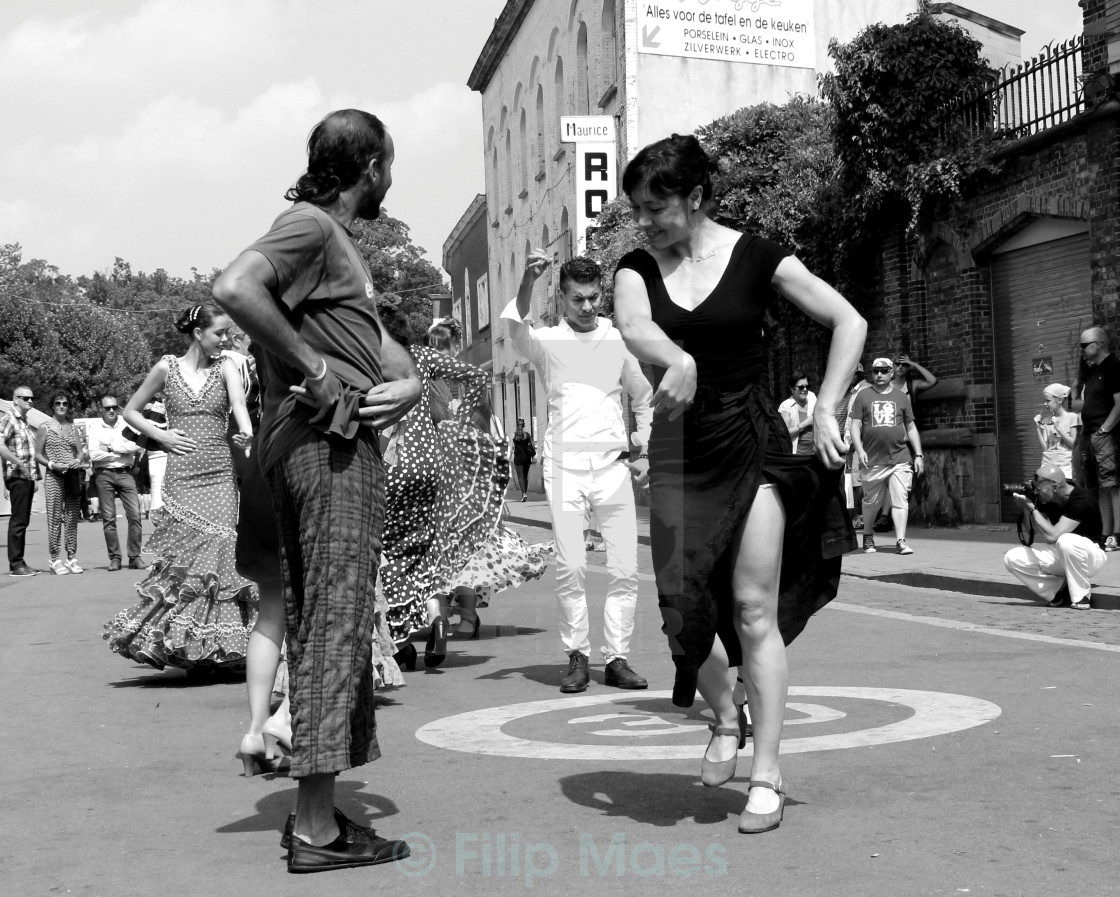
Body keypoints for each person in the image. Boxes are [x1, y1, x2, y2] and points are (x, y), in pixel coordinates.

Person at [613, 133, 863, 834]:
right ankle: (727, 715)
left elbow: (849, 319)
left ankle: (768, 774)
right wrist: (675, 358)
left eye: (656, 208)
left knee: (753, 609)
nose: (645, 222)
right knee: (678, 610)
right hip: (677, 454)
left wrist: (830, 403)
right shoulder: (635, 267)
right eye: (637, 210)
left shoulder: (758, 256)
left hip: (750, 444)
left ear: (695, 199)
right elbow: (633, 325)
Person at [212, 109, 419, 873]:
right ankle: (314, 829)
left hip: (323, 444)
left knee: (326, 617)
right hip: (326, 446)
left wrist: (407, 380)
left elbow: (381, 349)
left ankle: (321, 814)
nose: (390, 179)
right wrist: (318, 368)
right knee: (335, 621)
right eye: (388, 165)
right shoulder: (310, 226)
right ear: (369, 167)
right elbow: (235, 287)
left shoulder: (336, 248)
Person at [505, 253, 653, 695]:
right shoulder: (547, 342)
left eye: (592, 298)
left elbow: (643, 396)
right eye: (577, 300)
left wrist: (643, 448)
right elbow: (514, 332)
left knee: (625, 568)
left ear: (601, 295)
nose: (586, 307)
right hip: (565, 467)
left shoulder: (618, 340)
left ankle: (617, 658)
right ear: (563, 299)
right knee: (571, 565)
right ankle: (576, 656)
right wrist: (527, 283)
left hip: (612, 468)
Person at [103, 303, 256, 674]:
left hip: (219, 470)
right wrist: (161, 435)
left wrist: (246, 429)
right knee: (186, 563)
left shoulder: (228, 367)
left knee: (222, 550)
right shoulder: (165, 367)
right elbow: (131, 411)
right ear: (198, 332)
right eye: (219, 333)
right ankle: (183, 645)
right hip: (182, 474)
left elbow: (238, 402)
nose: (224, 340)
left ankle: (222, 647)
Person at [1003, 463, 1104, 609]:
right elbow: (1031, 529)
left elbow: (1053, 536)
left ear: (1055, 487)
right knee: (1012, 557)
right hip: (1063, 554)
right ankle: (1057, 593)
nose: (1036, 493)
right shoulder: (1046, 498)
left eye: (1039, 489)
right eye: (1035, 488)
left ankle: (1081, 597)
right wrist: (1027, 506)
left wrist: (1032, 508)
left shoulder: (1081, 499)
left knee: (1065, 539)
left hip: (1091, 557)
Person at [850, 357, 924, 555]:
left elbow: (911, 426)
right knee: (871, 502)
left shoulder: (900, 397)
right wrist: (860, 450)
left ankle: (901, 540)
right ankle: (867, 535)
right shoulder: (863, 396)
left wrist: (918, 454)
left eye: (883, 371)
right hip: (872, 459)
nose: (879, 375)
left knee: (900, 498)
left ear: (892, 373)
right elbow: (855, 426)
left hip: (900, 457)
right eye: (875, 371)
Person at [1071, 328, 1120, 551]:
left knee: (1112, 485)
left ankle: (1117, 535)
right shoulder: (1093, 372)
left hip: (1105, 436)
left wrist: (1104, 430)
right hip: (1090, 434)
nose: (1081, 350)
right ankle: (1105, 533)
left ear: (1098, 343)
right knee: (1100, 487)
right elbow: (1082, 405)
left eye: (1084, 345)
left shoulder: (1114, 367)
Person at [87, 394, 144, 570]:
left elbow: (135, 446)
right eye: (107, 408)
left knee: (135, 515)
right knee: (109, 519)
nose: (111, 410)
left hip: (126, 473)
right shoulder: (95, 428)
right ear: (101, 410)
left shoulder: (127, 424)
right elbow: (94, 454)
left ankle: (134, 557)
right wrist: (122, 452)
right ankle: (115, 558)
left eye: (114, 407)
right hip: (104, 474)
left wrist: (111, 448)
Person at [33, 393, 87, 575]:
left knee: (72, 516)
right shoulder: (44, 428)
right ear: (52, 406)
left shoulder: (73, 429)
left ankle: (71, 556)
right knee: (54, 518)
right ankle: (54, 558)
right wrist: (51, 464)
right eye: (58, 403)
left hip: (71, 475)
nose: (61, 406)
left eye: (65, 403)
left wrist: (77, 461)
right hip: (54, 476)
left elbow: (80, 453)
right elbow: (38, 454)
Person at [1, 386, 42, 576]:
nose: (30, 401)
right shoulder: (9, 419)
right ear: (15, 399)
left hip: (26, 478)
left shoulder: (24, 422)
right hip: (17, 476)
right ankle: (16, 565)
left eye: (31, 398)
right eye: (25, 398)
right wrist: (19, 463)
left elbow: (31, 453)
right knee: (18, 522)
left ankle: (20, 562)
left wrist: (35, 477)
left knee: (22, 521)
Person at [1034, 383, 1079, 481]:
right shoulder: (1046, 420)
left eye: (1048, 400)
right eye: (1045, 400)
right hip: (1047, 465)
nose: (1045, 404)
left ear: (1059, 400)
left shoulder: (1071, 417)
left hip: (1065, 467)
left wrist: (1058, 428)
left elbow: (1074, 444)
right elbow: (1046, 448)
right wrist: (1038, 428)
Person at [777, 371, 816, 454]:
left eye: (807, 386)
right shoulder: (786, 406)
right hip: (797, 455)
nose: (805, 390)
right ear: (792, 389)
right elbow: (785, 434)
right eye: (801, 387)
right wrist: (806, 423)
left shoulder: (812, 397)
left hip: (816, 453)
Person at [512, 418, 535, 500]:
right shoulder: (527, 435)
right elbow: (531, 446)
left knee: (520, 477)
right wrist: (533, 456)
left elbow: (512, 447)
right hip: (527, 458)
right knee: (525, 476)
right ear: (524, 425)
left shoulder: (514, 436)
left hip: (518, 458)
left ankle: (523, 493)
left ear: (517, 425)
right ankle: (525, 493)